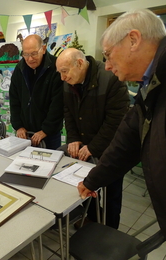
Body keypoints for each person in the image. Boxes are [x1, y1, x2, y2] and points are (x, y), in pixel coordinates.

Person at [78, 9, 166, 238]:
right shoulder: (149, 85)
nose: (107, 65)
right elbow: (127, 141)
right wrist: (93, 179)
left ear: (133, 40)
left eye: (108, 54)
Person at [56, 48, 130, 229]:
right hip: (83, 146)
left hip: (111, 149)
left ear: (79, 63)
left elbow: (116, 121)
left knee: (111, 193)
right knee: (86, 185)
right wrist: (72, 138)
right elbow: (68, 113)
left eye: (64, 71)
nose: (62, 78)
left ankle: (110, 231)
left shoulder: (110, 78)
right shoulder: (69, 82)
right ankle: (92, 218)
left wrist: (93, 147)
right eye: (60, 73)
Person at [9, 34, 63, 149]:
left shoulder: (56, 67)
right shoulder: (20, 69)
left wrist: (45, 130)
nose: (30, 59)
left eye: (33, 54)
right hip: (24, 134)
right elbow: (14, 100)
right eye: (26, 54)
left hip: (49, 135)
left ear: (43, 49)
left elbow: (58, 104)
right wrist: (18, 126)